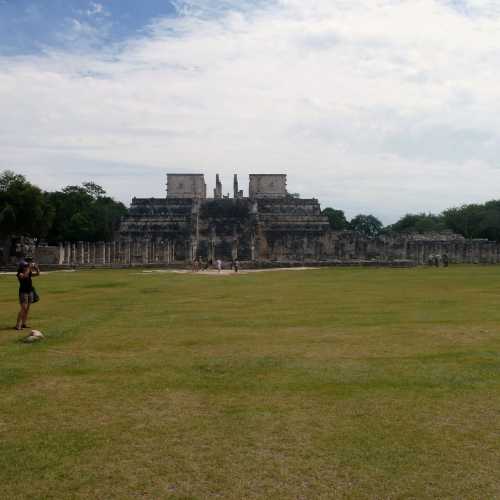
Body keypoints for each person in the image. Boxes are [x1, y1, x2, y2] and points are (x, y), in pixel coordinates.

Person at [15, 259, 39, 330]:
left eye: (27, 265)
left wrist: (36, 268)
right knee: (23, 308)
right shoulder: (19, 273)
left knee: (27, 309)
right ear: (22, 267)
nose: (26, 266)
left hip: (30, 291)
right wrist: (29, 268)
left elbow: (38, 274)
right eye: (25, 266)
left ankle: (24, 324)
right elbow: (24, 276)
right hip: (23, 292)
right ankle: (17, 325)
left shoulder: (28, 271)